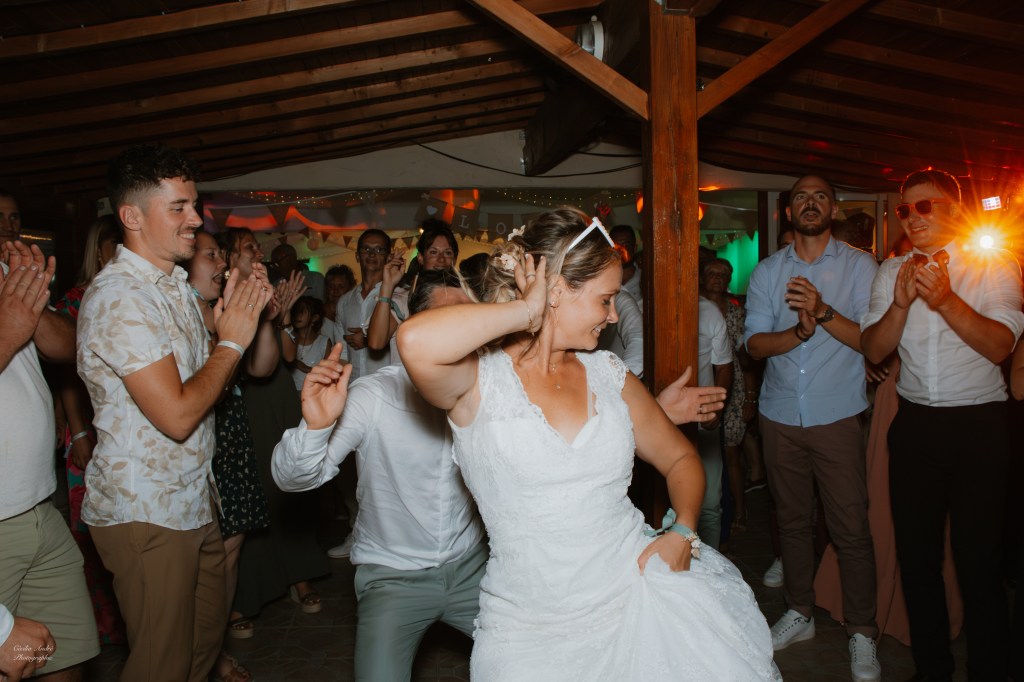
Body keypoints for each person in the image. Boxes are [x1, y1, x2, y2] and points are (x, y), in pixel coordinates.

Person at [397, 209, 778, 680]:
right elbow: (413, 341)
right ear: (557, 292)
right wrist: (528, 311)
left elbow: (681, 457)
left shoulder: (609, 375)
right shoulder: (477, 380)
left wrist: (683, 530)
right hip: (527, 630)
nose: (614, 315)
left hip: (637, 601)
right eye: (606, 299)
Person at [77, 144, 271, 682]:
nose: (196, 219)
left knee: (201, 651)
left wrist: (234, 326)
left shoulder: (175, 288)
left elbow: (208, 384)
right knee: (160, 666)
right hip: (146, 509)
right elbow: (179, 415)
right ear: (132, 216)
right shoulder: (121, 298)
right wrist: (231, 343)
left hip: (193, 499)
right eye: (179, 207)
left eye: (195, 205)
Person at [273, 269, 486, 682]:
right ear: (413, 328)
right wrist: (315, 428)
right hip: (393, 578)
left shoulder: (490, 388)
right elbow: (294, 479)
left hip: (471, 570)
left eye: (468, 320)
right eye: (445, 320)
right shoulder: (373, 395)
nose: (459, 333)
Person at [861, 169, 1023, 681]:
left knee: (979, 561)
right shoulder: (891, 271)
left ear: (955, 209)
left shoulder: (994, 263)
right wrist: (901, 304)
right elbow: (874, 349)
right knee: (917, 560)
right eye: (905, 209)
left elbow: (1000, 346)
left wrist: (946, 300)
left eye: (925, 206)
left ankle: (989, 671)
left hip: (979, 426)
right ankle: (932, 671)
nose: (913, 217)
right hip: (915, 427)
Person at [745, 175, 881, 682]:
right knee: (792, 522)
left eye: (820, 195)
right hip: (779, 413)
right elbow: (755, 344)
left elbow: (871, 341)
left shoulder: (859, 266)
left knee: (851, 528)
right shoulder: (768, 270)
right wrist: (798, 333)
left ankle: (862, 631)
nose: (810, 203)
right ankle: (799, 611)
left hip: (837, 414)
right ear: (788, 211)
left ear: (834, 209)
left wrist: (822, 313)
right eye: (801, 196)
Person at [2, 237, 98, 681]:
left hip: (41, 508)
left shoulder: (6, 272)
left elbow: (69, 346)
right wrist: (8, 332)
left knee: (60, 657)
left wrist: (31, 305)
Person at [52, 215, 126, 648]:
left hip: (121, 425)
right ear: (99, 250)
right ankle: (103, 626)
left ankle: (130, 619)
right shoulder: (77, 300)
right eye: (117, 246)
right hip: (88, 428)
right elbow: (66, 373)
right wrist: (79, 433)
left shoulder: (129, 293)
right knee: (89, 527)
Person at [365, 219, 460, 362]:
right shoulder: (405, 299)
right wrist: (387, 286)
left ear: (454, 260)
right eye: (433, 252)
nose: (441, 259)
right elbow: (376, 343)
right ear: (421, 258)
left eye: (447, 253)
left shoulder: (463, 300)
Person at [334, 229, 391, 380]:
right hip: (354, 387)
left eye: (379, 249)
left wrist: (368, 338)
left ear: (388, 257)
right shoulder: (344, 301)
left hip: (386, 387)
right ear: (357, 256)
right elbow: (342, 353)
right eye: (366, 249)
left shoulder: (397, 296)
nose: (371, 254)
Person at [609, 224, 642, 309]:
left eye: (626, 245)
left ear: (634, 249)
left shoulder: (644, 280)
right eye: (616, 246)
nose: (621, 251)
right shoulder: (602, 280)